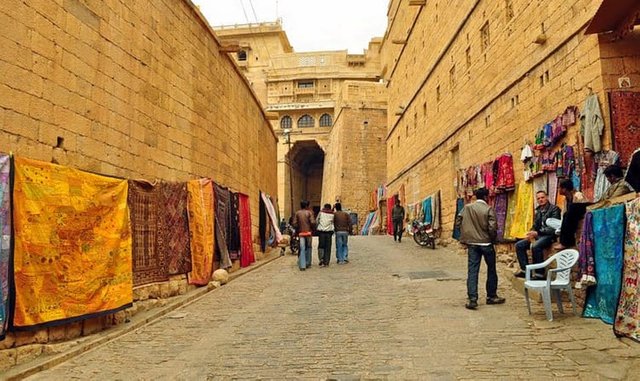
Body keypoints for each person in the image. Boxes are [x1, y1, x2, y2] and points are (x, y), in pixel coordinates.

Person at [458, 188, 505, 310]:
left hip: (472, 244)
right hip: (486, 243)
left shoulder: (467, 208)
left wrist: (465, 235)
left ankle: (472, 298)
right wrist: (493, 239)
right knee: (491, 269)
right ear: (486, 197)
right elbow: (492, 227)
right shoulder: (488, 209)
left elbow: (459, 221)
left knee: (473, 270)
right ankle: (491, 296)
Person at [514, 191, 561, 279]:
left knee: (536, 246)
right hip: (539, 235)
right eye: (538, 198)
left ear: (547, 197)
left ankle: (540, 274)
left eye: (542, 197)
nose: (540, 200)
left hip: (550, 236)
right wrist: (531, 233)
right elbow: (535, 225)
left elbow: (554, 227)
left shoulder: (554, 209)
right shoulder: (538, 211)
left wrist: (538, 233)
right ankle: (525, 271)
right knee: (519, 245)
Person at [551, 179, 589, 250]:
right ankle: (561, 231)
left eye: (559, 188)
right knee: (549, 221)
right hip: (568, 222)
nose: (558, 189)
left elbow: (583, 211)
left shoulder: (578, 195)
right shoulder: (565, 200)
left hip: (579, 221)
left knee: (568, 213)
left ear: (564, 189)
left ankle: (565, 242)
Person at [293, 200, 315, 271]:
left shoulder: (297, 213)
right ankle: (308, 262)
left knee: (302, 248)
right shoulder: (309, 213)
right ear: (307, 206)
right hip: (308, 233)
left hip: (301, 233)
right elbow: (312, 222)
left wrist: (298, 228)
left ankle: (302, 265)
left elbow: (294, 223)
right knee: (309, 247)